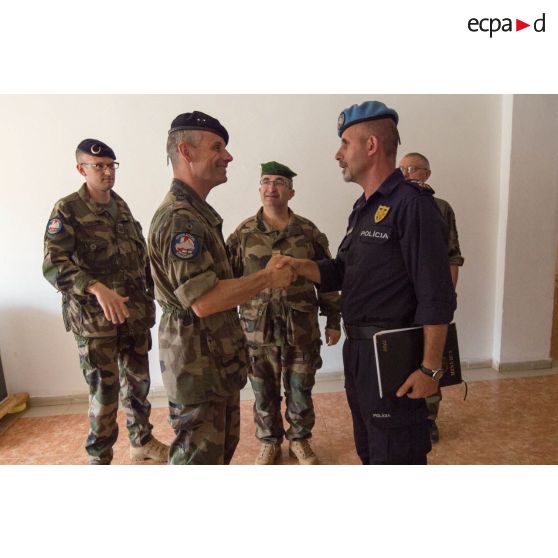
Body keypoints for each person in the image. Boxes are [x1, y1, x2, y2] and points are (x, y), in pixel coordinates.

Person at [269, 101, 456, 464]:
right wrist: (298, 265)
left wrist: (431, 368)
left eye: (345, 143)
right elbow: (344, 271)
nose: (338, 153)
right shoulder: (364, 207)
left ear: (371, 146)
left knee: (395, 455)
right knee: (370, 449)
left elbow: (437, 295)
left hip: (393, 355)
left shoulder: (413, 205)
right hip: (360, 354)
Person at [148, 112, 295, 465]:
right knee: (198, 461)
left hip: (213, 363)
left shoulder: (198, 214)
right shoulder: (180, 218)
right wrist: (266, 277)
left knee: (217, 456)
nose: (228, 156)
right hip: (197, 367)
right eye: (217, 147)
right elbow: (203, 300)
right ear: (186, 151)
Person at [43, 138, 168, 465]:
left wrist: (154, 299)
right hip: (95, 322)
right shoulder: (67, 210)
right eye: (98, 166)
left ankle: (141, 441)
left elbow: (139, 261)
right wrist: (95, 287)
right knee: (105, 395)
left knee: (138, 386)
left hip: (133, 316)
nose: (106, 172)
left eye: (111, 166)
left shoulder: (121, 207)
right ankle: (99, 459)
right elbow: (53, 264)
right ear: (81, 169)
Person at [227, 161, 341, 465]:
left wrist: (333, 319)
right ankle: (269, 441)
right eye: (265, 181)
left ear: (290, 191)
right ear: (259, 188)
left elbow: (326, 277)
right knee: (263, 391)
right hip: (256, 330)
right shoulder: (244, 234)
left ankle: (300, 440)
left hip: (300, 328)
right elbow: (228, 283)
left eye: (279, 182)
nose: (271, 188)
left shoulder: (307, 232)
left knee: (300, 389)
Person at [399, 152, 465, 442]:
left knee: (431, 356)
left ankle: (429, 417)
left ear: (426, 174)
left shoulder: (440, 208)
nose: (405, 174)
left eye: (411, 169)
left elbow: (453, 257)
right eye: (400, 169)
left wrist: (446, 298)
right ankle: (401, 413)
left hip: (430, 298)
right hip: (400, 302)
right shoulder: (392, 206)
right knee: (401, 357)